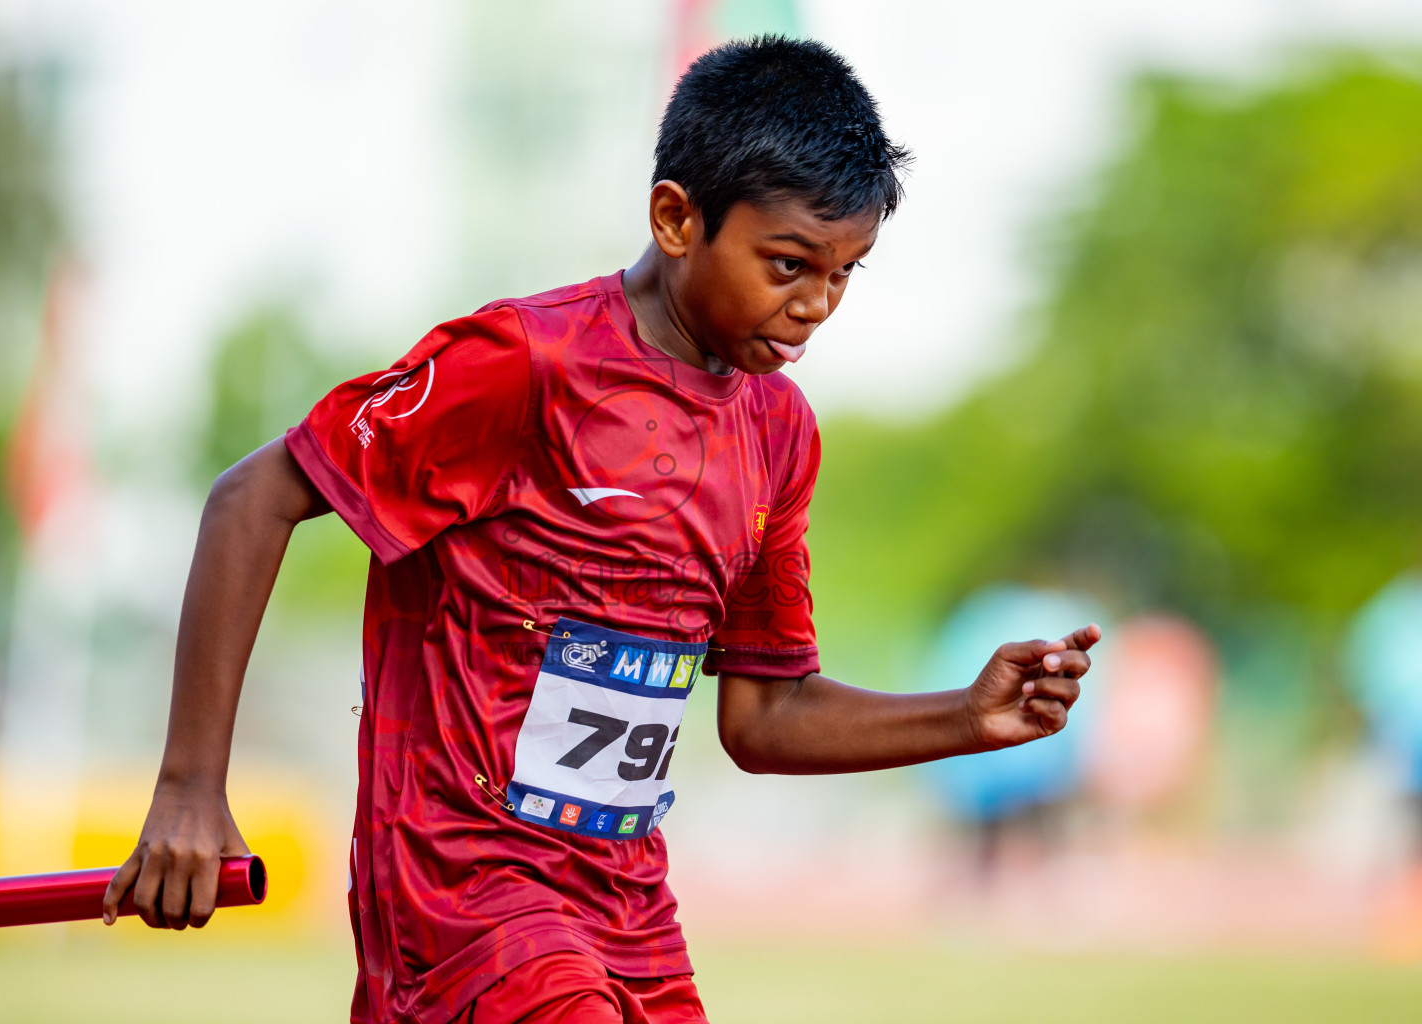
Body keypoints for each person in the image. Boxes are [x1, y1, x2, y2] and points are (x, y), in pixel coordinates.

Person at [101, 35, 1100, 1024]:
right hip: (466, 891)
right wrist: (190, 785)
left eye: (846, 273)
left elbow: (765, 716)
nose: (816, 306)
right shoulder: (523, 365)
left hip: (625, 910)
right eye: (788, 265)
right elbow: (252, 496)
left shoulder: (778, 430)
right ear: (676, 217)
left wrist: (966, 718)